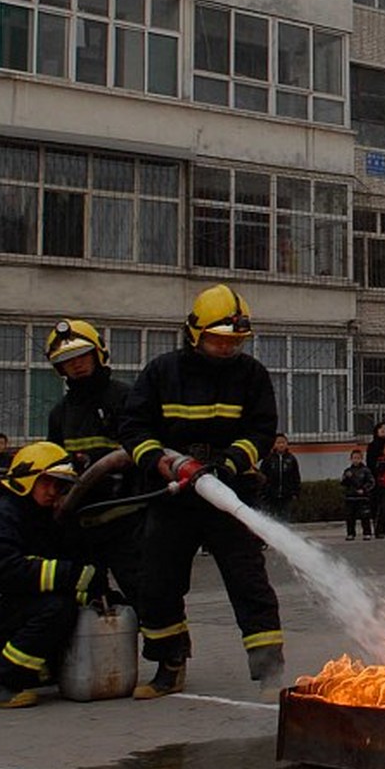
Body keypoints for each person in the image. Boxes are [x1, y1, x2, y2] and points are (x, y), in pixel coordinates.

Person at [120, 284, 285, 699]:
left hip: (229, 494)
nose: (227, 348)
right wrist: (156, 459)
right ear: (194, 333)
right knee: (158, 580)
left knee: (248, 580)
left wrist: (229, 462)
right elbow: (133, 427)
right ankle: (168, 664)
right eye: (219, 339)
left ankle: (269, 672)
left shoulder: (252, 376)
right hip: (172, 494)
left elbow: (262, 430)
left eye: (235, 341)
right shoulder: (162, 372)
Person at [0, 441, 100, 709]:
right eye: (47, 483)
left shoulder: (40, 516)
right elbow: (5, 570)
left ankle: (13, 666)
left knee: (73, 604)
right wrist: (70, 575)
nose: (54, 492)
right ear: (26, 480)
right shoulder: (2, 515)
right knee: (55, 607)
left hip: (3, 604)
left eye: (59, 485)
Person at [43, 319, 146, 606]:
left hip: (128, 522)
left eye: (81, 356)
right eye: (67, 360)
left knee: (149, 598)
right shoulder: (60, 414)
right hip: (82, 526)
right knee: (86, 599)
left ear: (98, 354)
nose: (76, 365)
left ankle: (166, 650)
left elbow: (144, 451)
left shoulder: (125, 398)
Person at [262, 433, 303, 522]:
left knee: (284, 519)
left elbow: (296, 477)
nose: (281, 445)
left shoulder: (291, 459)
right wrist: (263, 492)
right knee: (271, 520)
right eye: (278, 443)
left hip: (286, 496)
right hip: (271, 496)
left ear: (286, 444)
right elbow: (262, 476)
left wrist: (296, 492)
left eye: (283, 442)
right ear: (274, 444)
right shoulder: (268, 459)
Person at [340, 448, 375, 540]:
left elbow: (371, 482)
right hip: (350, 497)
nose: (356, 460)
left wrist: (364, 490)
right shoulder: (348, 471)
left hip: (362, 497)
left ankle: (367, 533)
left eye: (358, 458)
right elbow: (343, 484)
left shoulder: (366, 470)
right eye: (354, 458)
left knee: (365, 516)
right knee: (350, 517)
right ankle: (351, 533)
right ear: (351, 459)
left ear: (361, 459)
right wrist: (346, 478)